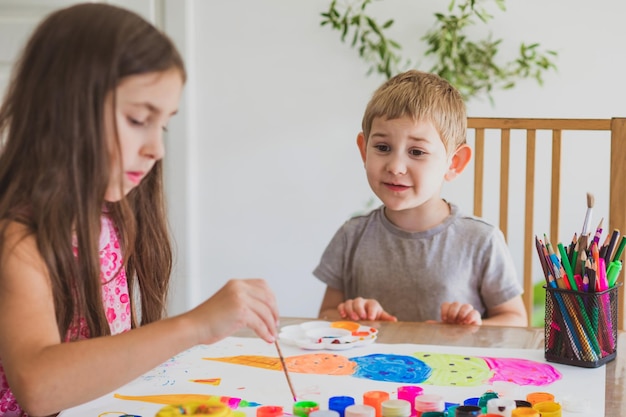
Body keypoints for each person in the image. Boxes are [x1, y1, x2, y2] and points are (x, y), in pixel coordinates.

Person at [0, 4, 279, 416]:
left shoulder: (110, 216)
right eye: (137, 119)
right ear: (64, 109)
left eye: (162, 124)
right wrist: (195, 325)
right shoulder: (18, 239)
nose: (157, 149)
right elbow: (39, 390)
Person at [314, 70, 527, 327]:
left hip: (451, 366)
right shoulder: (352, 236)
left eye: (416, 151)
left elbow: (515, 319)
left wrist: (470, 328)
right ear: (364, 149)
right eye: (382, 148)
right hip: (369, 367)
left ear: (454, 163)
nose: (396, 166)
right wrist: (350, 314)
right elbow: (326, 315)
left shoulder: (481, 240)